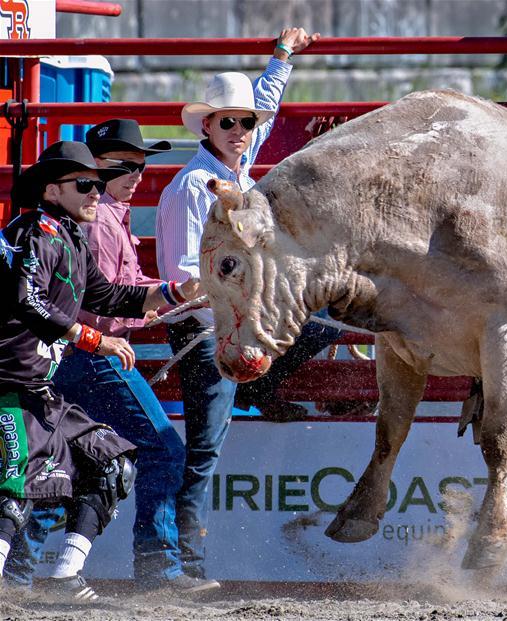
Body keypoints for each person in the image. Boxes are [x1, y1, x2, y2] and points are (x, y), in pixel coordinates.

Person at [155, 27, 338, 581]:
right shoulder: (193, 189)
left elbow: (264, 101)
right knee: (204, 450)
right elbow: (183, 275)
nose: (240, 129)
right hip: (206, 332)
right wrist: (238, 319)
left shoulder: (229, 167)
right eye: (227, 121)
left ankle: (257, 384)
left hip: (235, 324)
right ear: (208, 126)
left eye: (244, 123)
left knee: (323, 321)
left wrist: (282, 55)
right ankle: (184, 564)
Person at [4, 120, 218, 593]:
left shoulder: (79, 228)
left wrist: (175, 291)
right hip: (58, 365)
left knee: (73, 466)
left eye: (140, 166)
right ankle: (156, 567)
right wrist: (96, 339)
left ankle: (28, 577)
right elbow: (34, 299)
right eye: (92, 180)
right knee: (156, 451)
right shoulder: (63, 228)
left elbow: (109, 294)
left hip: (53, 366)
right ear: (59, 187)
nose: (133, 175)